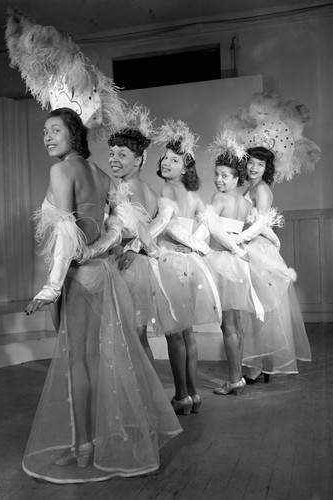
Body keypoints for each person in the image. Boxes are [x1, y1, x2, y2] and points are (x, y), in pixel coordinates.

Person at [6, 10, 182, 484]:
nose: (47, 136)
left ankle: (83, 446)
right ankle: (97, 437)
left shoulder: (61, 172)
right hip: (104, 277)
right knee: (104, 359)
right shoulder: (103, 175)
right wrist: (95, 251)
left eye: (54, 130)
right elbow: (120, 228)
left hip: (79, 280)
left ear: (74, 133)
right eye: (44, 131)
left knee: (79, 362)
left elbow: (66, 231)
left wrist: (51, 284)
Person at [131, 119, 221, 415]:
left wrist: (137, 244)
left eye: (175, 160)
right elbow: (207, 227)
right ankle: (193, 394)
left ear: (186, 167)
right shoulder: (194, 196)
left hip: (171, 263)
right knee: (187, 333)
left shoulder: (167, 191)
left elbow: (165, 226)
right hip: (191, 266)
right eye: (165, 158)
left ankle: (181, 394)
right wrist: (196, 246)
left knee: (174, 333)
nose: (167, 163)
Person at [85, 105, 178, 365]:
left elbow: (141, 229)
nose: (114, 158)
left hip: (129, 267)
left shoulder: (130, 188)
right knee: (136, 335)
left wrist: (133, 248)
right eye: (112, 153)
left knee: (133, 335)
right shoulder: (142, 186)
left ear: (138, 160)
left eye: (122, 154)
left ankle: (144, 395)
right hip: (136, 265)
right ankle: (146, 394)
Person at [235, 146, 312, 381]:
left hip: (258, 251)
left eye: (260, 164)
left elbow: (261, 223)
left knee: (262, 310)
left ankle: (262, 365)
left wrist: (237, 238)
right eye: (251, 162)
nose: (254, 167)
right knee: (255, 309)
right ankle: (259, 364)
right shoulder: (251, 187)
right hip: (252, 247)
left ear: (267, 168)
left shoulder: (262, 189)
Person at [199, 132, 266, 396]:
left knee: (227, 326)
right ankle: (236, 375)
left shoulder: (219, 199)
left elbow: (210, 228)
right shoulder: (243, 201)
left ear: (237, 178)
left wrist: (194, 246)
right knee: (235, 325)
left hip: (222, 263)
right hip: (236, 265)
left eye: (225, 175)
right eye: (217, 174)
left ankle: (235, 378)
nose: (218, 179)